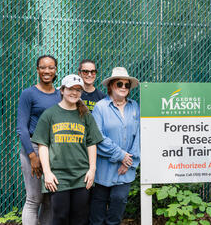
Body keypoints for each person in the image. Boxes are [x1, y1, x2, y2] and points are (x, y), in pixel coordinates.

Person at [31, 74, 103, 225]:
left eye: (78, 89)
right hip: (59, 176)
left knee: (80, 217)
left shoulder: (86, 115)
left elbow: (91, 143)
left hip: (81, 175)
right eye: (71, 88)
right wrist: (48, 172)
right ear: (62, 90)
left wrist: (92, 170)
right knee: (60, 216)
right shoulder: (49, 114)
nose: (74, 92)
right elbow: (43, 145)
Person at [89, 67, 140, 225]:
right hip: (103, 168)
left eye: (127, 85)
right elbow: (98, 136)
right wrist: (121, 155)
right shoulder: (100, 107)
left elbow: (139, 134)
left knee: (118, 206)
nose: (124, 87)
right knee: (97, 213)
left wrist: (129, 160)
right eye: (120, 84)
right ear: (110, 86)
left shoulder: (134, 106)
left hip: (126, 169)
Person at [16, 55, 60, 225]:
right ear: (37, 70)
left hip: (53, 150)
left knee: (50, 200)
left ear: (56, 69)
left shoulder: (60, 95)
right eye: (43, 67)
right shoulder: (28, 93)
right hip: (33, 147)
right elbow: (22, 127)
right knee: (34, 199)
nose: (47, 71)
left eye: (50, 67)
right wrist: (32, 156)